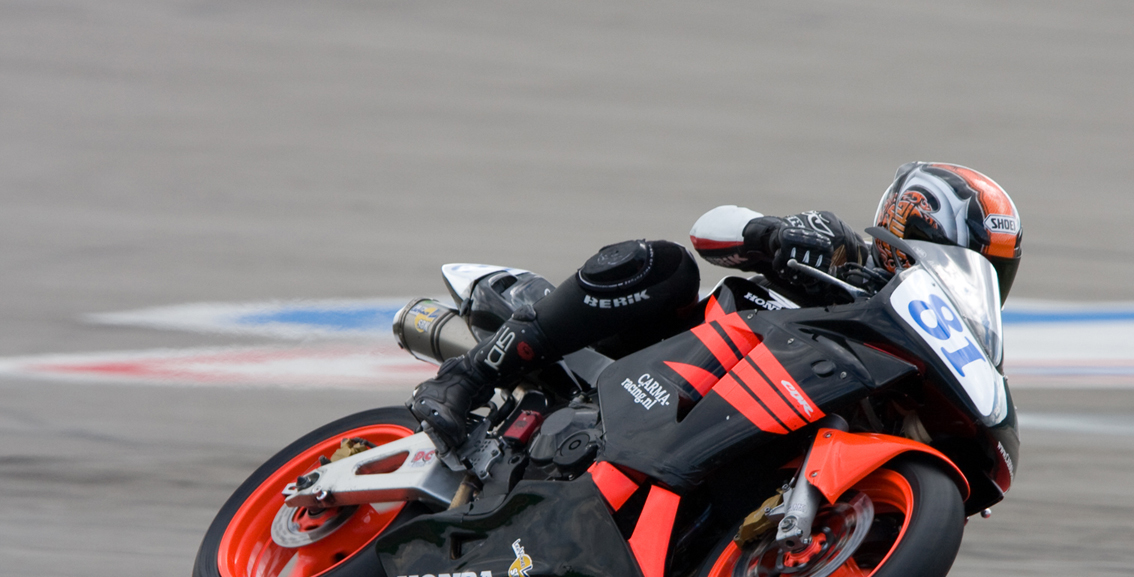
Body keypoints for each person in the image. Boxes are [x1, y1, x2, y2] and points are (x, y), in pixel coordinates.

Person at [407, 162, 1023, 453]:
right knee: (662, 263)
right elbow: (712, 229)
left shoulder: (934, 349)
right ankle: (465, 380)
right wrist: (775, 234)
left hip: (734, 430)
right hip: (651, 369)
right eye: (967, 252)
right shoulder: (838, 251)